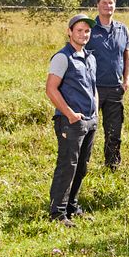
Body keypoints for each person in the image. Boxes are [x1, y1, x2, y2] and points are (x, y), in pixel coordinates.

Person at [46, 14, 100, 226]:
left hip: (89, 120)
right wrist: (69, 114)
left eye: (87, 31)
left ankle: (72, 207)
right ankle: (57, 213)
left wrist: (95, 113)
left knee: (81, 167)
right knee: (67, 166)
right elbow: (51, 89)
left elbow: (93, 87)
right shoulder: (62, 57)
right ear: (69, 32)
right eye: (79, 30)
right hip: (70, 122)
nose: (84, 34)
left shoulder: (90, 57)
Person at [85, 0, 129, 170]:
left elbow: (127, 56)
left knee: (114, 131)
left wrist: (126, 80)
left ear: (115, 5)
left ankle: (112, 165)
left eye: (111, 3)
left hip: (115, 88)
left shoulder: (122, 29)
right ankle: (82, 164)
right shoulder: (89, 28)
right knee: (88, 128)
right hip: (93, 88)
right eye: (104, 3)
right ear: (97, 5)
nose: (107, 6)